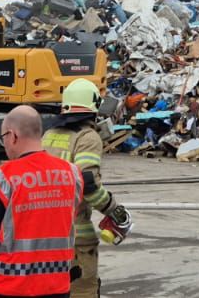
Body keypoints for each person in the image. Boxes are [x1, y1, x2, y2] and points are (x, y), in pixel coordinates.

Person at [0, 106, 82, 298]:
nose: (4, 145)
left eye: (3, 138)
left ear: (12, 136)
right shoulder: (72, 175)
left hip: (6, 289)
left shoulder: (3, 181)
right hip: (56, 289)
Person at [44, 79, 132, 298]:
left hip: (44, 235)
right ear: (93, 108)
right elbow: (87, 182)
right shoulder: (87, 137)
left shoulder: (49, 135)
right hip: (76, 239)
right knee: (82, 291)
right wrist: (114, 210)